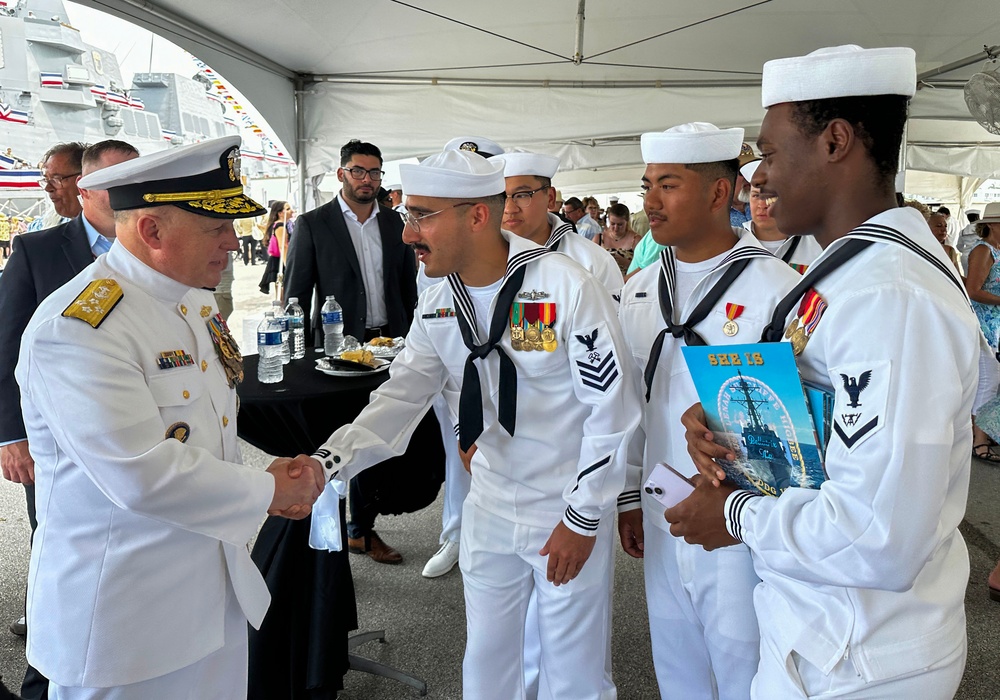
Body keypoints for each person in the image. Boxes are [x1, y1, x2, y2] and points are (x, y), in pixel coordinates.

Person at [673, 45, 979, 698]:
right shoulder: (850, 271)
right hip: (824, 632)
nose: (758, 174)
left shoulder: (889, 296)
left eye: (772, 151)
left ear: (835, 142)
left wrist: (733, 516)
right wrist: (731, 417)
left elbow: (880, 537)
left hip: (861, 658)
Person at [303, 149, 640, 699]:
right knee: (487, 662)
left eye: (422, 215)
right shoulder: (438, 296)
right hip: (489, 507)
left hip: (564, 505)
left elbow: (612, 410)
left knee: (573, 674)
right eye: (406, 214)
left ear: (477, 217)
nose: (408, 232)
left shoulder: (565, 286)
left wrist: (583, 520)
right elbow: (401, 395)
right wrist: (327, 463)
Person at [16, 135, 324, 699]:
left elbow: (207, 435)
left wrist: (261, 479)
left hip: (209, 599)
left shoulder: (193, 302)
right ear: (152, 231)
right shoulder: (78, 328)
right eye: (216, 228)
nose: (235, 242)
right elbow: (140, 473)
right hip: (126, 620)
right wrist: (267, 489)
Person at [616, 122, 800, 699]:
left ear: (720, 193)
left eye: (668, 185)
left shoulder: (777, 288)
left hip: (739, 517)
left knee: (742, 666)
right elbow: (628, 405)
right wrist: (626, 494)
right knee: (677, 665)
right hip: (661, 505)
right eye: (648, 184)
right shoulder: (641, 287)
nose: (650, 202)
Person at [0, 139, 140, 700]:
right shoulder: (36, 250)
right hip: (54, 440)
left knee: (127, 545)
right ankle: (46, 676)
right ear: (85, 189)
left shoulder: (148, 242)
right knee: (58, 548)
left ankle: (117, 655)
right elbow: (6, 343)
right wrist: (11, 435)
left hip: (129, 432)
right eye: (114, 181)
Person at [284, 139, 418, 564]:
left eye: (375, 173)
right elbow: (296, 295)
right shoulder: (314, 224)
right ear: (341, 173)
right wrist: (296, 354)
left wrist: (414, 336)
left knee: (377, 435)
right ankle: (331, 534)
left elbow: (408, 286)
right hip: (339, 351)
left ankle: (361, 528)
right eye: (359, 171)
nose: (368, 180)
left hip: (390, 344)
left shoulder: (396, 222)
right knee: (340, 437)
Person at [496, 150, 623, 297]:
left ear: (550, 198)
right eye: (501, 197)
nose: (509, 209)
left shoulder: (591, 261)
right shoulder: (481, 260)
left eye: (523, 195)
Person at [742, 160, 822, 273]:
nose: (762, 205)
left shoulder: (817, 246)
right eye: (756, 195)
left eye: (772, 196)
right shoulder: (733, 242)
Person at [257, 200, 291, 298]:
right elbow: (283, 246)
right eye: (288, 209)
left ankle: (280, 308)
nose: (291, 211)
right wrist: (287, 264)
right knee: (282, 288)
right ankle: (281, 309)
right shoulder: (280, 226)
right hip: (282, 260)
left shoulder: (279, 224)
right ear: (280, 213)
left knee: (280, 287)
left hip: (279, 259)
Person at [597, 202, 639, 276]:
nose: (616, 228)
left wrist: (624, 262)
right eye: (612, 224)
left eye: (620, 225)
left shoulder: (636, 240)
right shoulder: (599, 238)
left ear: (627, 221)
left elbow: (643, 268)